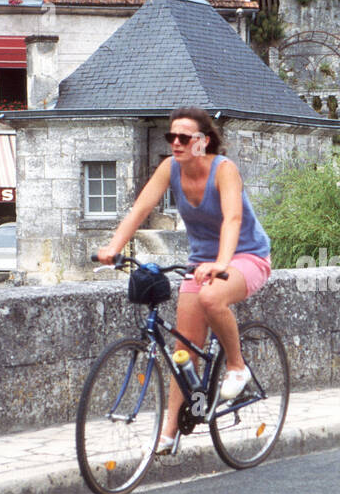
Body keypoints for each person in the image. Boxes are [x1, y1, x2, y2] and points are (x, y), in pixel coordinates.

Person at [97, 107, 272, 454]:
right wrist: (113, 247)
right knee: (182, 351)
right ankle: (169, 432)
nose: (175, 143)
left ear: (203, 141)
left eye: (184, 137)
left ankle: (236, 368)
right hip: (202, 263)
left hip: (247, 256)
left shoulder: (224, 170)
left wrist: (221, 263)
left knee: (211, 299)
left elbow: (233, 218)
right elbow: (140, 209)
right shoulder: (169, 169)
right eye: (170, 137)